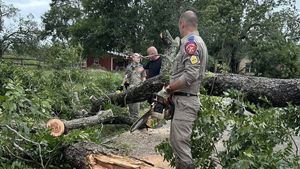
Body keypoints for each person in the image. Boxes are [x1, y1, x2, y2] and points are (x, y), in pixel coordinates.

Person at [157, 10, 208, 169]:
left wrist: (169, 89)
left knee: (181, 144)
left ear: (182, 24)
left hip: (186, 100)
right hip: (183, 99)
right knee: (177, 143)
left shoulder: (190, 43)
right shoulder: (196, 41)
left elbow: (190, 75)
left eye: (179, 26)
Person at [122, 53, 146, 120]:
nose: (139, 58)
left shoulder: (141, 67)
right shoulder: (129, 67)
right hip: (130, 88)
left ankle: (135, 120)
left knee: (136, 105)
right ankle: (131, 121)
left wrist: (144, 86)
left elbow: (143, 78)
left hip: (138, 87)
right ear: (133, 58)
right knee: (130, 105)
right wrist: (124, 88)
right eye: (137, 57)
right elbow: (126, 78)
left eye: (139, 57)